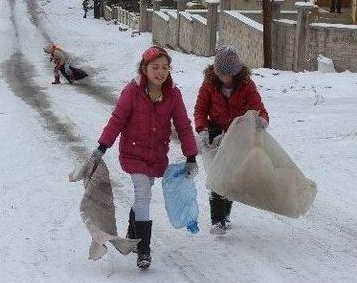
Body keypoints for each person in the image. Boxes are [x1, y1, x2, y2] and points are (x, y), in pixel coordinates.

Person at [90, 46, 198, 269]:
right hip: (133, 153)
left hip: (157, 156)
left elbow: (184, 126)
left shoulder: (173, 94)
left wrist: (191, 155)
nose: (160, 72)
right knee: (143, 193)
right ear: (144, 68)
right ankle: (144, 250)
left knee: (143, 195)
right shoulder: (132, 92)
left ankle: (134, 232)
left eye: (165, 68)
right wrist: (102, 146)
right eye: (155, 67)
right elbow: (117, 120)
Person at [193, 46, 269, 235]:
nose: (223, 78)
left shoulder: (246, 85)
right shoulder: (209, 83)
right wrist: (202, 129)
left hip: (237, 136)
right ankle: (217, 221)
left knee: (230, 177)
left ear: (235, 73)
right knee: (218, 175)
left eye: (227, 74)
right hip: (215, 135)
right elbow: (200, 109)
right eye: (220, 73)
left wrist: (261, 121)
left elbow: (259, 109)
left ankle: (225, 214)